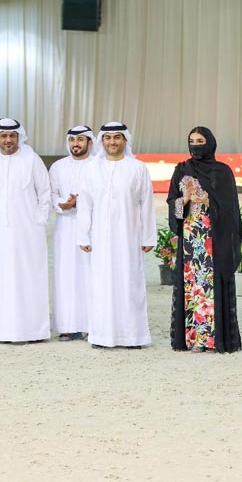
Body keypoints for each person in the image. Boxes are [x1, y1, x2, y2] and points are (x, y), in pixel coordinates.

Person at [76, 122, 156, 349]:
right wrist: (83, 235)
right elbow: (85, 205)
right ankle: (101, 336)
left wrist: (148, 237)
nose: (112, 142)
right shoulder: (91, 169)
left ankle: (132, 337)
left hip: (129, 238)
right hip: (99, 239)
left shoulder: (138, 168)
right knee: (101, 285)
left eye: (117, 137)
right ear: (101, 141)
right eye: (108, 138)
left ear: (125, 140)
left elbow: (147, 204)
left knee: (130, 284)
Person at [167, 126, 242, 353]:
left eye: (200, 140)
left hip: (214, 238)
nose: (195, 145)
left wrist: (210, 201)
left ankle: (213, 340)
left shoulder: (222, 171)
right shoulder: (181, 170)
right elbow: (172, 204)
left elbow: (230, 208)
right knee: (192, 287)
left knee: (212, 287)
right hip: (190, 240)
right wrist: (185, 199)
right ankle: (194, 339)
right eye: (192, 141)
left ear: (209, 142)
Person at [0, 118, 51, 343]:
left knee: (30, 279)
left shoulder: (32, 160)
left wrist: (39, 221)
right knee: (3, 281)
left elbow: (45, 192)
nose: (8, 140)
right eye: (3, 136)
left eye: (12, 136)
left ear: (19, 136)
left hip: (29, 233)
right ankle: (7, 332)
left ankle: (35, 332)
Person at [49, 125, 95, 341]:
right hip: (64, 227)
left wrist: (81, 201)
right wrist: (62, 204)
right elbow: (50, 193)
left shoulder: (97, 165)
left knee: (89, 274)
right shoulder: (58, 167)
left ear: (90, 143)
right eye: (72, 140)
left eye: (80, 140)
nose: (76, 144)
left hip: (92, 227)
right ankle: (66, 325)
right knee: (65, 274)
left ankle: (90, 324)